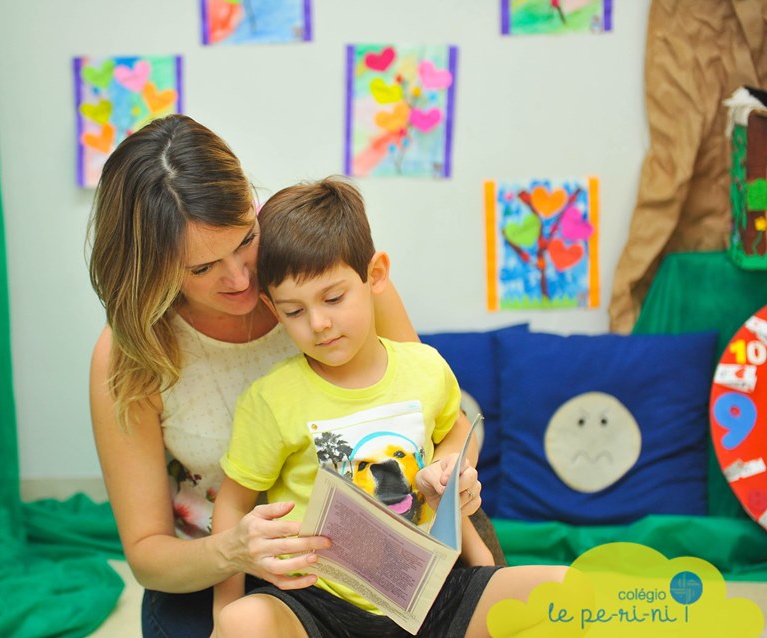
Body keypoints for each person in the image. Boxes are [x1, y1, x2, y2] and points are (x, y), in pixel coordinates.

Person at [86, 114, 479, 638]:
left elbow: (433, 414)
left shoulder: (322, 273)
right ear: (151, 268)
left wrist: (454, 474)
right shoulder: (129, 354)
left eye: (246, 239)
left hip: (393, 540)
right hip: (225, 566)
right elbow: (147, 555)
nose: (241, 277)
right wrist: (233, 551)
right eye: (201, 269)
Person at [211, 177, 567, 638]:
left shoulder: (425, 369)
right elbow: (234, 503)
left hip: (428, 591)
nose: (318, 324)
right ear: (272, 308)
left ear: (375, 275)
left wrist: (447, 468)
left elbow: (456, 432)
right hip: (316, 600)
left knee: (562, 589)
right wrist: (223, 610)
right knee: (245, 624)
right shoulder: (270, 399)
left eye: (334, 298)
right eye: (294, 312)